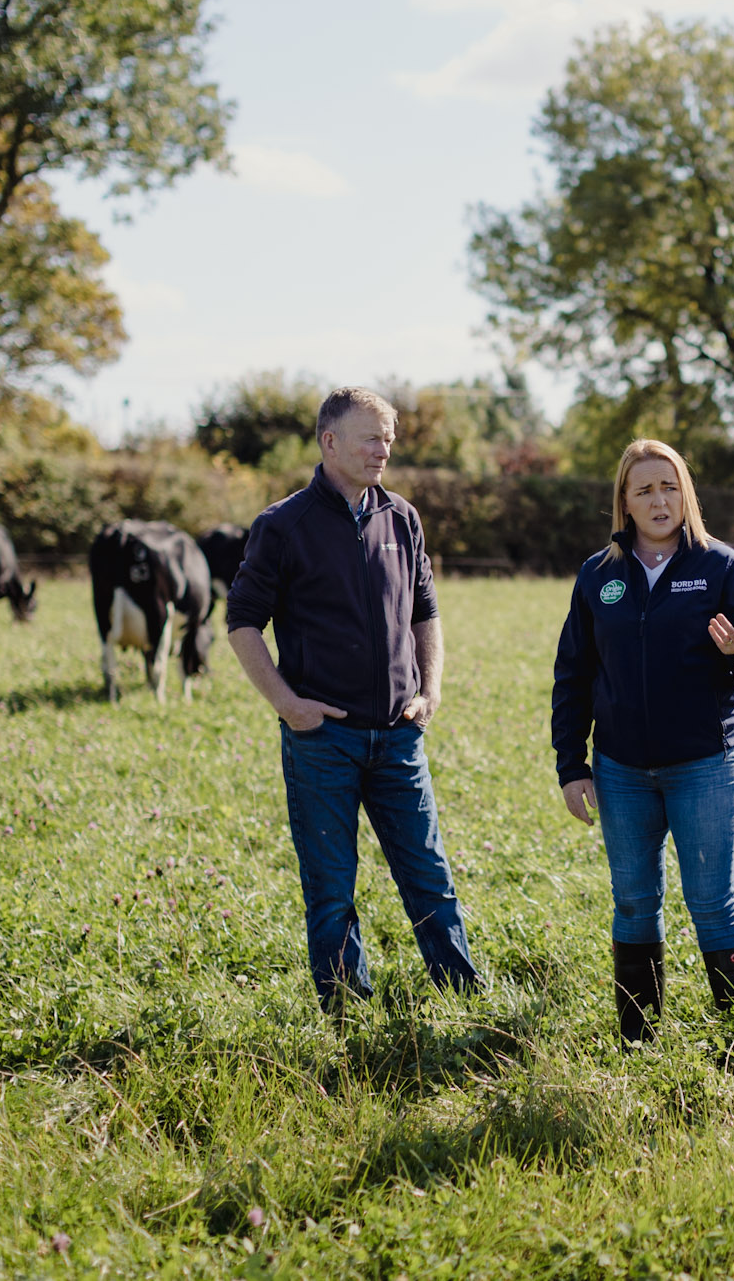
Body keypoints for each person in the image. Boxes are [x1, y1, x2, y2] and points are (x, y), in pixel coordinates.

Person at [226, 386, 480, 1010]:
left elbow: (425, 612)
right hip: (322, 740)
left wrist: (431, 688)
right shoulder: (283, 526)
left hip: (398, 735)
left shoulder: (402, 518)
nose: (382, 450)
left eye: (388, 439)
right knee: (332, 888)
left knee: (430, 877)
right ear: (330, 441)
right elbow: (242, 623)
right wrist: (288, 706)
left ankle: (463, 999)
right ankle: (347, 1013)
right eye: (370, 438)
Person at [552, 439, 734, 1041]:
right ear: (624, 502)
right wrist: (571, 765)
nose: (659, 501)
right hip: (620, 769)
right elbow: (573, 673)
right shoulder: (598, 575)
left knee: (711, 901)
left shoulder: (720, 565)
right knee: (632, 900)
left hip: (705, 765)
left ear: (686, 495)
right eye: (644, 490)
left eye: (669, 487)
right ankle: (639, 1039)